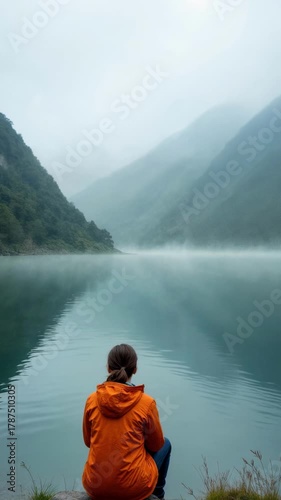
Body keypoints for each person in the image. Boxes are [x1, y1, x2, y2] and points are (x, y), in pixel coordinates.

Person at [82, 344, 171, 500]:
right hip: (133, 489)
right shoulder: (146, 403)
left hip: (95, 486)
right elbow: (156, 445)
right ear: (135, 369)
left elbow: (88, 441)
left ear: (108, 368)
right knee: (166, 444)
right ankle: (157, 495)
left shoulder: (92, 400)